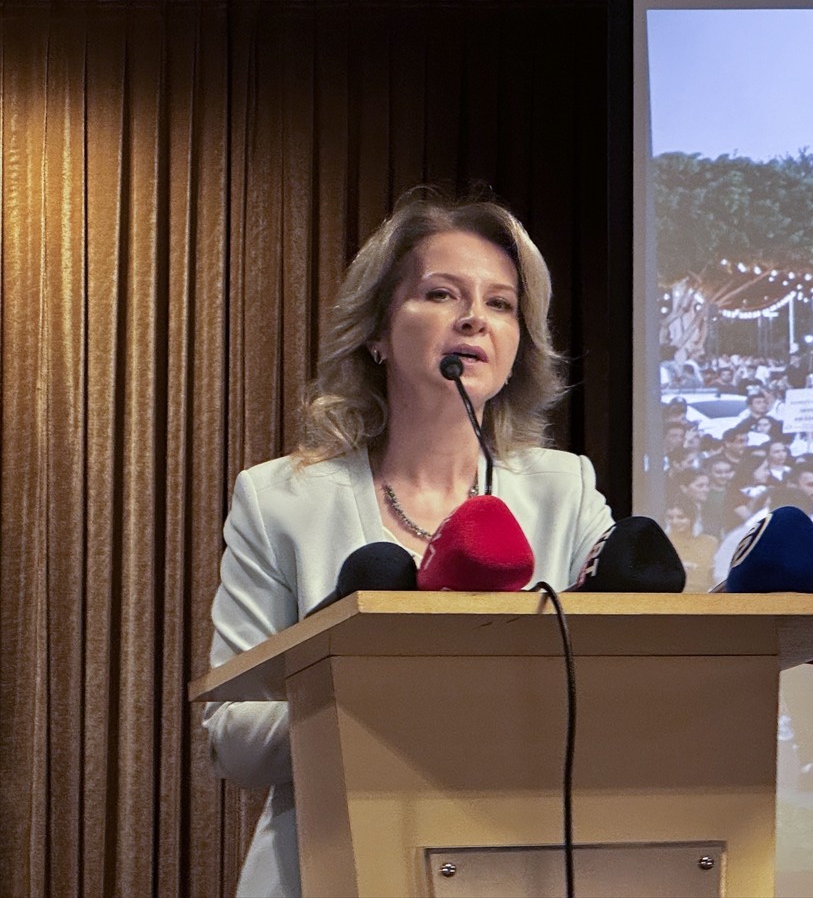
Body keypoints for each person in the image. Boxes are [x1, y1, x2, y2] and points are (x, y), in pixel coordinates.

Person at [203, 195, 615, 895]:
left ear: (519, 347)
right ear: (377, 333)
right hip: (330, 867)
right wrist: (381, 711)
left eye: (501, 304)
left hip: (519, 866)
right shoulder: (279, 501)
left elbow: (626, 677)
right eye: (440, 294)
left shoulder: (565, 491)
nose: (473, 319)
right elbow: (234, 735)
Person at [664, 500, 718, 592]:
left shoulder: (710, 542)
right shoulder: (663, 542)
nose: (674, 522)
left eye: (681, 517)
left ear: (692, 518)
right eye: (670, 518)